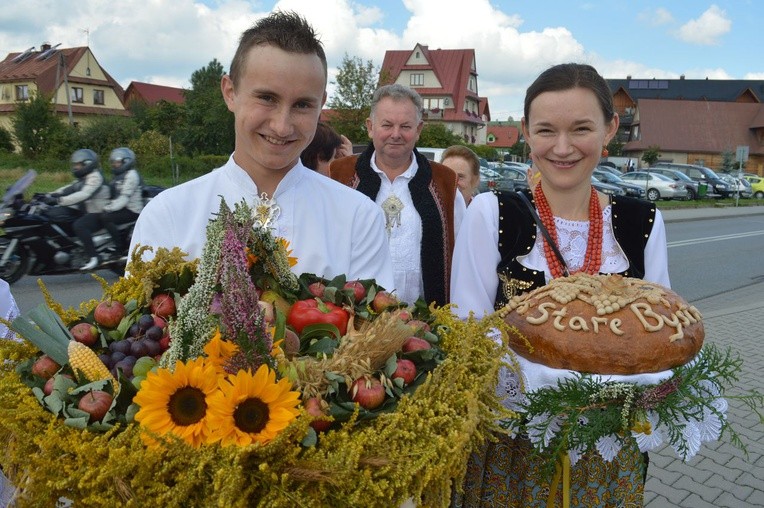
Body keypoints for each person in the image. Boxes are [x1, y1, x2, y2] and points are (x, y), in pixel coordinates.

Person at [449, 63, 669, 506]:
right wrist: (549, 387)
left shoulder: (641, 221)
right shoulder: (492, 213)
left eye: (581, 128)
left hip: (607, 448)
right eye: (546, 130)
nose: (563, 147)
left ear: (609, 130)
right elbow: (467, 327)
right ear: (526, 133)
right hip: (512, 441)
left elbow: (657, 334)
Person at [129, 11, 394, 290]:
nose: (282, 126)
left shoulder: (359, 218)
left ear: (321, 105)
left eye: (302, 104)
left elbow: (375, 330)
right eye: (267, 98)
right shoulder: (168, 214)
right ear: (230, 92)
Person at [330, 84, 466, 307]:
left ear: (419, 129)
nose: (396, 134)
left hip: (425, 328)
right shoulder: (337, 176)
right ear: (370, 127)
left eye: (405, 126)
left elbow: (463, 261)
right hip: (352, 325)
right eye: (387, 125)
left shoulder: (445, 184)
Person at [42, 148, 109, 229]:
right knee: (52, 213)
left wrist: (59, 200)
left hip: (96, 212)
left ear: (87, 163)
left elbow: (84, 194)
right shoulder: (84, 176)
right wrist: (49, 194)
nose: (75, 167)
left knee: (78, 226)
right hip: (84, 208)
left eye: (77, 164)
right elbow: (69, 188)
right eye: (74, 164)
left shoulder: (95, 177)